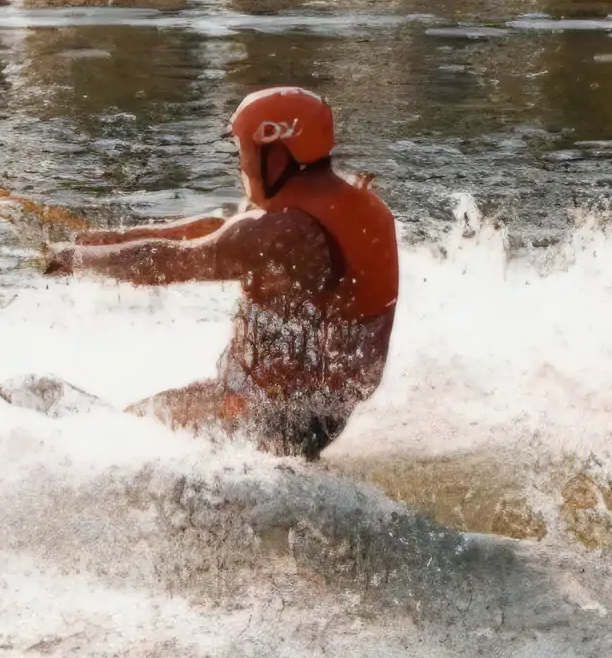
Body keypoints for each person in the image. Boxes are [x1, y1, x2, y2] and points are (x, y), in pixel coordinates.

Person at [45, 85, 399, 459]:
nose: (241, 163)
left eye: (243, 149)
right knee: (160, 412)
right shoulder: (353, 206)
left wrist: (74, 260)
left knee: (133, 429)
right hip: (320, 415)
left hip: (266, 416)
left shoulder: (279, 233)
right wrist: (105, 239)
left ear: (275, 152)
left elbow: (168, 262)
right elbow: (221, 229)